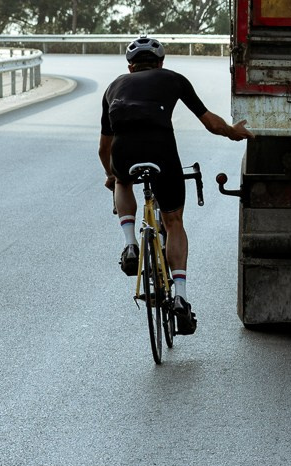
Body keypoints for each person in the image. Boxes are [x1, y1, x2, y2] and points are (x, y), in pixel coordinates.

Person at [98, 35, 252, 337]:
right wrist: (233, 132)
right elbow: (211, 123)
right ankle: (179, 295)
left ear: (130, 68)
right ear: (161, 63)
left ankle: (130, 243)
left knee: (123, 181)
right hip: (162, 152)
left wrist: (111, 175)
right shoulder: (173, 79)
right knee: (174, 221)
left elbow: (104, 148)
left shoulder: (113, 86)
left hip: (124, 152)